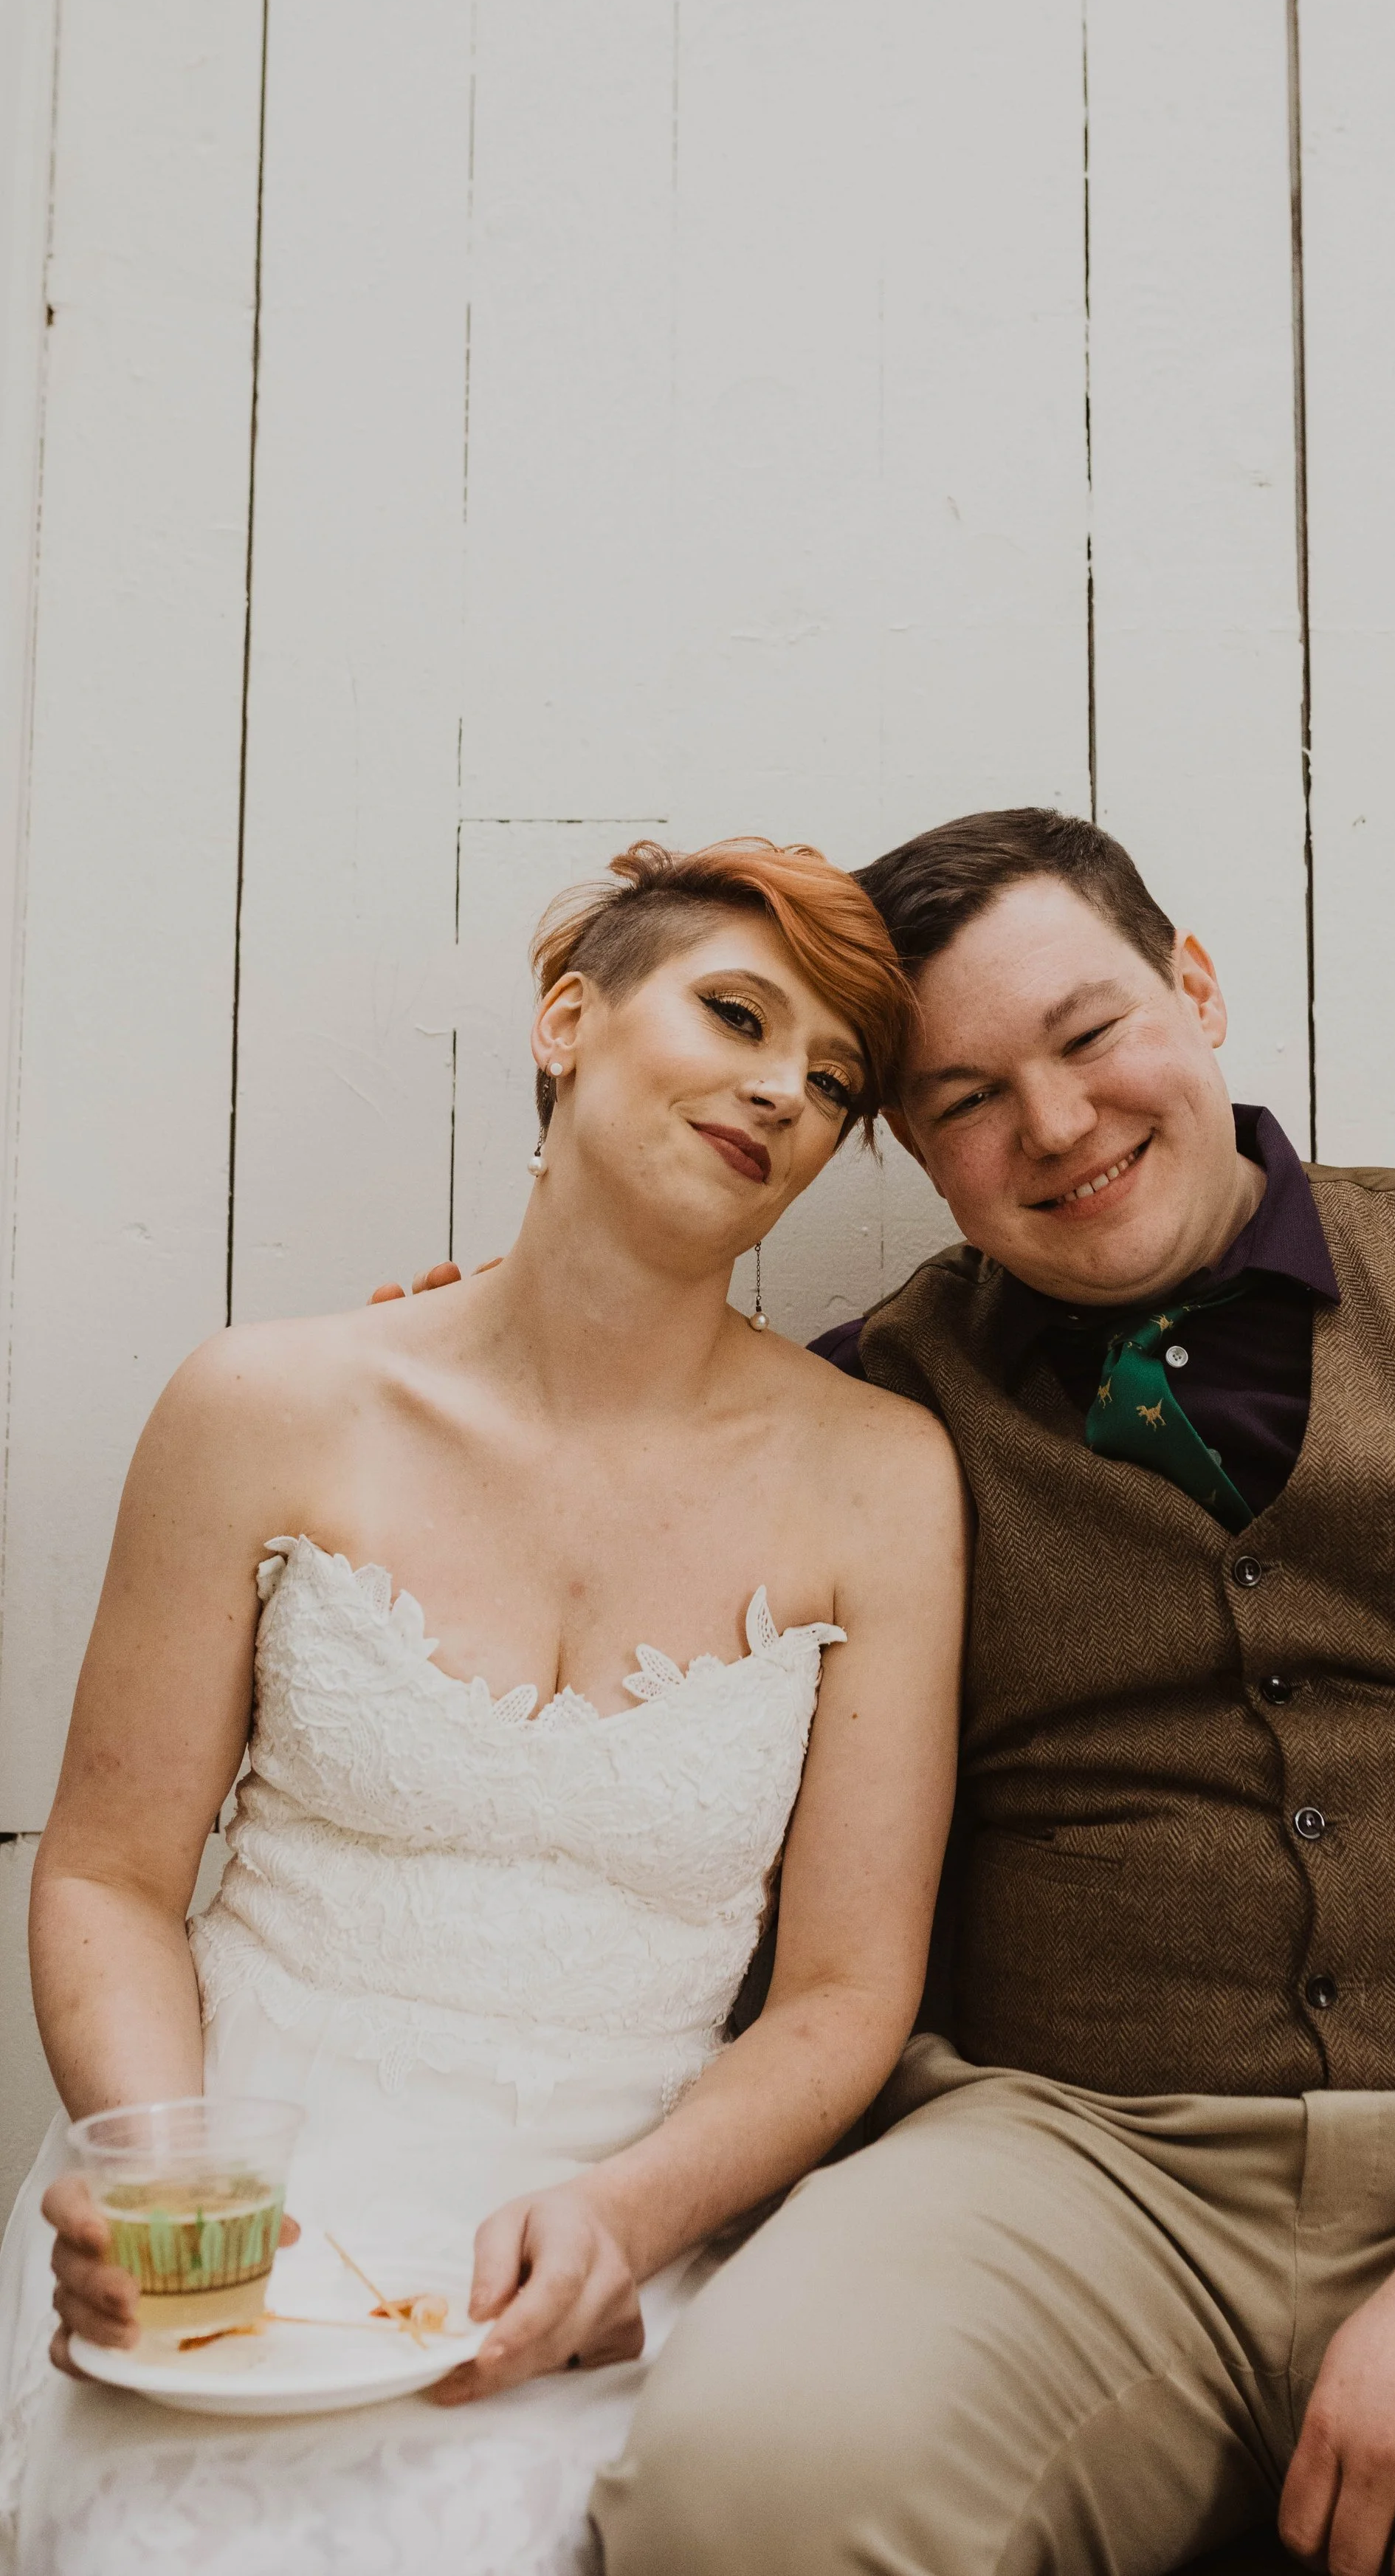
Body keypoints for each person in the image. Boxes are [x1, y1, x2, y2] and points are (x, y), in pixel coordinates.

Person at [582, 809, 1395, 2576]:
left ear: (1193, 986)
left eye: (1090, 1035)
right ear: (910, 1151)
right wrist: (476, 1334)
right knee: (752, 2493)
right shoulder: (864, 1409)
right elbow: (577, 1477)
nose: (1056, 1126)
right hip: (1067, 2168)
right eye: (961, 1099)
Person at [0, 839, 965, 2576]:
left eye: (831, 1085)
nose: (778, 1092)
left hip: (627, 2224)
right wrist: (166, 2189)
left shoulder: (879, 1482)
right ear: (568, 1018)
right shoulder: (261, 1405)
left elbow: (842, 1989)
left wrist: (625, 2220)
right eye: (735, 1015)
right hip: (245, 2184)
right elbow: (105, 1878)